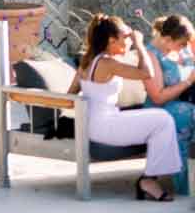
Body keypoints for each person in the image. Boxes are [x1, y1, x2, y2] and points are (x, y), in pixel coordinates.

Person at [71, 13, 181, 200]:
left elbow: (70, 94)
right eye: (125, 38)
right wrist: (139, 44)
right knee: (163, 119)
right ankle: (148, 180)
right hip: (106, 127)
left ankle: (151, 177)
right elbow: (147, 73)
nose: (129, 41)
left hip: (94, 125)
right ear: (112, 40)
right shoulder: (107, 63)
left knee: (159, 119)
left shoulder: (88, 61)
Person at [146, 14, 195, 196]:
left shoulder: (179, 51)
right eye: (181, 44)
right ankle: (187, 185)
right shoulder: (151, 55)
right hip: (161, 108)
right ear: (167, 39)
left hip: (185, 101)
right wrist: (188, 82)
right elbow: (157, 97)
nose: (184, 48)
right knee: (187, 115)